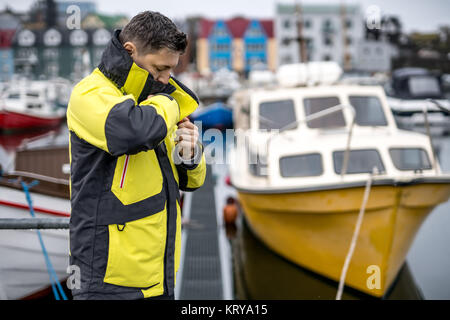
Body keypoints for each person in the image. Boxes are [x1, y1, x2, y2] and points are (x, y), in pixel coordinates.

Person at [66, 11, 206, 300]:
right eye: (160, 68)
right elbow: (132, 132)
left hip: (158, 279)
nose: (167, 79)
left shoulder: (152, 103)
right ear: (130, 52)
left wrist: (190, 153)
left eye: (171, 70)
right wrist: (169, 103)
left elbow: (190, 182)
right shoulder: (89, 94)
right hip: (105, 282)